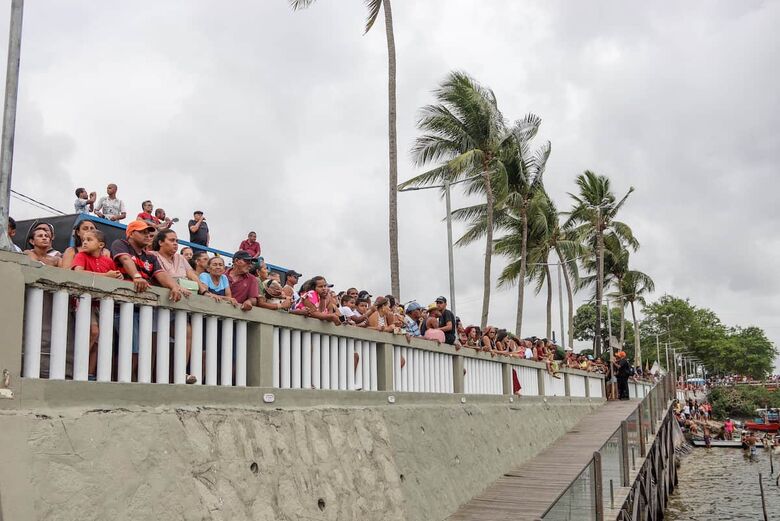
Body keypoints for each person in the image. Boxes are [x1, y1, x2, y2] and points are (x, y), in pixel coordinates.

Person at [150, 229, 209, 295]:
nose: (175, 243)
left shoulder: (180, 257)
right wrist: (177, 287)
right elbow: (161, 275)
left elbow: (191, 274)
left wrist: (204, 291)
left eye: (176, 241)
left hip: (185, 292)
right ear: (160, 242)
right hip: (163, 294)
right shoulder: (152, 255)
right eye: (172, 240)